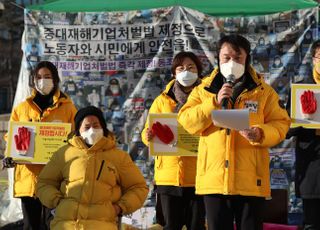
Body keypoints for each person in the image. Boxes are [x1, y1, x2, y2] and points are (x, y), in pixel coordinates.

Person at [177, 35, 291, 230]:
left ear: (247, 59)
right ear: (218, 59)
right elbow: (187, 121)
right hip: (214, 181)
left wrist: (261, 133)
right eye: (226, 58)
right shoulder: (203, 90)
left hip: (251, 182)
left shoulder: (264, 92)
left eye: (237, 58)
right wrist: (213, 102)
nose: (231, 63)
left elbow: (281, 123)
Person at [36, 106, 149, 230]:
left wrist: (119, 208)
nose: (92, 130)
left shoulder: (119, 157)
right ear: (78, 130)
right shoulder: (64, 153)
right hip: (67, 225)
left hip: (103, 225)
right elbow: (44, 183)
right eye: (87, 126)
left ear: (103, 127)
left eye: (96, 125)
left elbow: (138, 187)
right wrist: (57, 202)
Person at [2, 61, 78, 230]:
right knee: (31, 226)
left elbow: (76, 138)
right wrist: (11, 157)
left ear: (55, 79)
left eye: (47, 77)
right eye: (39, 77)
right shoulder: (21, 109)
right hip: (29, 180)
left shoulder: (68, 108)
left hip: (56, 180)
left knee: (54, 225)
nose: (43, 80)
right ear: (33, 80)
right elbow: (11, 139)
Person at [141, 51, 206, 230]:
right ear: (174, 73)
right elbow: (147, 131)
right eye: (181, 68)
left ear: (199, 71)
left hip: (199, 176)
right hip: (168, 177)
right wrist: (148, 137)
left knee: (197, 226)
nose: (186, 71)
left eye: (191, 67)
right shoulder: (162, 100)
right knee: (170, 226)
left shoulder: (207, 99)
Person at [286, 39, 320, 230]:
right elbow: (286, 130)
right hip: (312, 165)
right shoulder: (301, 89)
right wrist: (302, 119)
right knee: (312, 222)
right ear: (314, 60)